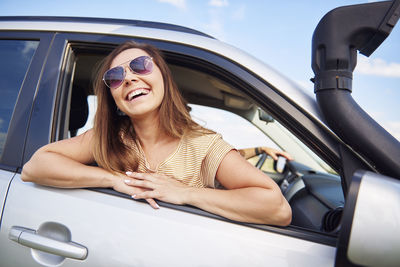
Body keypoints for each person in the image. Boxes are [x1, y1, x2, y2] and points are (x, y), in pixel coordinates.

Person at [21, 41, 292, 226]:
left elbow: (277, 208)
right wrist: (113, 179)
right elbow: (35, 167)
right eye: (115, 77)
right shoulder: (109, 138)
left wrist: (184, 193)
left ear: (163, 77)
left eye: (140, 65)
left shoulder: (204, 145)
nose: (128, 78)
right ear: (113, 97)